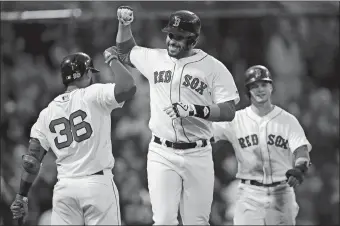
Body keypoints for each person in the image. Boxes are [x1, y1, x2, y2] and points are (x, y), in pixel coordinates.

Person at [105, 6, 240, 225]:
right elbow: (125, 50)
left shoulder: (213, 68)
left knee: (196, 222)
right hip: (161, 152)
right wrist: (124, 24)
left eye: (180, 37)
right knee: (164, 220)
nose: (172, 41)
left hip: (198, 153)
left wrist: (195, 110)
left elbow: (229, 110)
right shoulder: (156, 58)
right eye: (171, 35)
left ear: (193, 40)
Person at [10, 51, 136, 225]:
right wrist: (113, 59)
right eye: (90, 72)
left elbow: (31, 161)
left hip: (65, 188)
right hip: (97, 184)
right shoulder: (93, 94)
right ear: (86, 73)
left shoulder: (47, 113)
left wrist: (22, 196)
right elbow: (128, 86)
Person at [212, 65, 312, 225]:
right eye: (254, 86)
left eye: (263, 84)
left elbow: (301, 149)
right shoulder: (236, 120)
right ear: (248, 91)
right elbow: (204, 133)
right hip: (249, 193)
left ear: (271, 87)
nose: (259, 89)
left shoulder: (287, 120)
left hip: (281, 192)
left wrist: (300, 167)